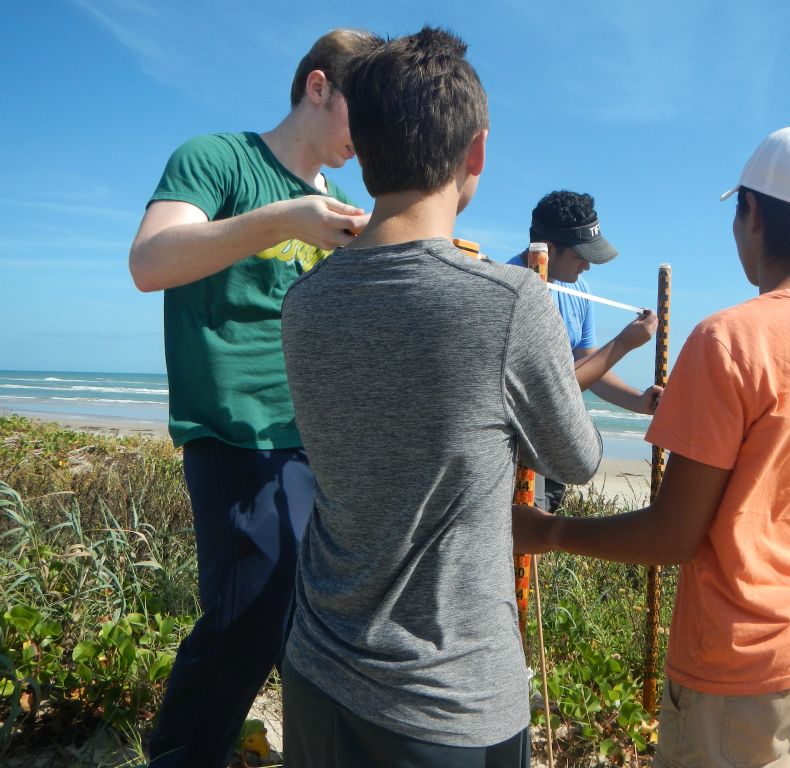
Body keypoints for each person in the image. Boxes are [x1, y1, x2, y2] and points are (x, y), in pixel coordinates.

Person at [514, 126, 790, 767]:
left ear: (750, 213)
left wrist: (544, 531)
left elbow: (672, 538)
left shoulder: (728, 339)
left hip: (742, 672)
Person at [279, 27, 604, 767]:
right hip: (446, 697)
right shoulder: (509, 301)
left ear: (358, 144)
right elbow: (577, 460)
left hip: (316, 662)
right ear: (477, 152)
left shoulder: (305, 302)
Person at [128, 29, 377, 768]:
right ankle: (180, 754)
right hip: (234, 429)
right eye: (358, 119)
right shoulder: (217, 158)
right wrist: (284, 219)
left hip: (319, 438)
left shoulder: (348, 207)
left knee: (317, 611)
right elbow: (149, 262)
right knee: (252, 611)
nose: (363, 145)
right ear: (318, 87)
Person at [507, 190, 659, 510]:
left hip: (553, 441)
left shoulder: (578, 288)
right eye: (580, 255)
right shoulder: (511, 290)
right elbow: (552, 390)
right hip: (516, 448)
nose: (588, 266)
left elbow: (589, 367)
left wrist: (639, 402)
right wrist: (622, 344)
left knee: (537, 541)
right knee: (521, 543)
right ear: (548, 250)